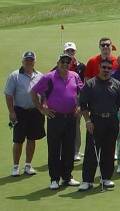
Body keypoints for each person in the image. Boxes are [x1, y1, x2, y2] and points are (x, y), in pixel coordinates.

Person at [31, 54, 83, 190]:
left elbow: (81, 93)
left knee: (69, 148)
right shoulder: (49, 77)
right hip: (55, 118)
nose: (65, 64)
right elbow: (33, 91)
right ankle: (54, 178)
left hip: (71, 118)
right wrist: (41, 109)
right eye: (63, 61)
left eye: (68, 62)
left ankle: (67, 176)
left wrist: (79, 106)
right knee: (54, 148)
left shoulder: (74, 76)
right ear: (58, 62)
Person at [77, 59, 120, 191]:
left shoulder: (116, 84)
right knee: (91, 152)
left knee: (109, 151)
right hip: (95, 121)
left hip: (112, 121)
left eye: (109, 68)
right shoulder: (90, 84)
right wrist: (87, 121)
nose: (106, 70)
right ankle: (87, 180)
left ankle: (106, 178)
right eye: (104, 67)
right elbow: (83, 105)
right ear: (99, 67)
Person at [5, 51, 44, 177]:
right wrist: (11, 112)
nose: (29, 62)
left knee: (32, 139)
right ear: (22, 61)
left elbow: (44, 94)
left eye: (31, 60)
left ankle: (28, 165)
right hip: (20, 111)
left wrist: (43, 107)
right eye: (27, 60)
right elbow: (9, 95)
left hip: (35, 112)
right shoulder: (14, 76)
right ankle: (16, 167)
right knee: (18, 140)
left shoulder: (40, 76)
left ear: (34, 62)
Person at [61, 42, 87, 161]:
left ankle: (76, 150)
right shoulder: (60, 66)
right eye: (68, 51)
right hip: (65, 101)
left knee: (76, 125)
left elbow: (84, 83)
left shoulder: (81, 66)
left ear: (75, 52)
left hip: (78, 100)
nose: (70, 53)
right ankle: (69, 150)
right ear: (64, 52)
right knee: (68, 126)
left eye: (72, 51)